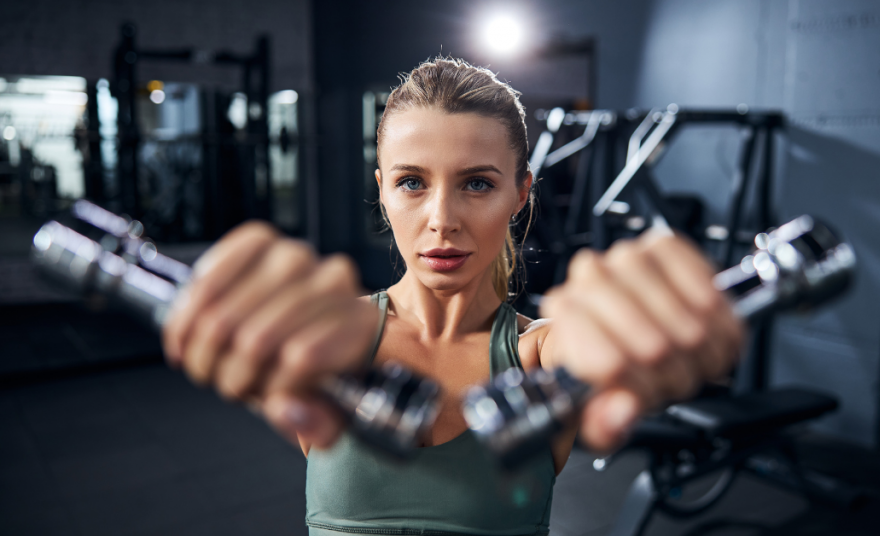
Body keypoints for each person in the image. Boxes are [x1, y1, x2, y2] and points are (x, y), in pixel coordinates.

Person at [161, 57, 744, 536]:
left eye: (477, 184)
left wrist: (641, 317)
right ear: (383, 191)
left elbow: (592, 349)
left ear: (520, 195)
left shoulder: (542, 356)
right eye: (412, 182)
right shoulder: (331, 341)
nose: (441, 220)